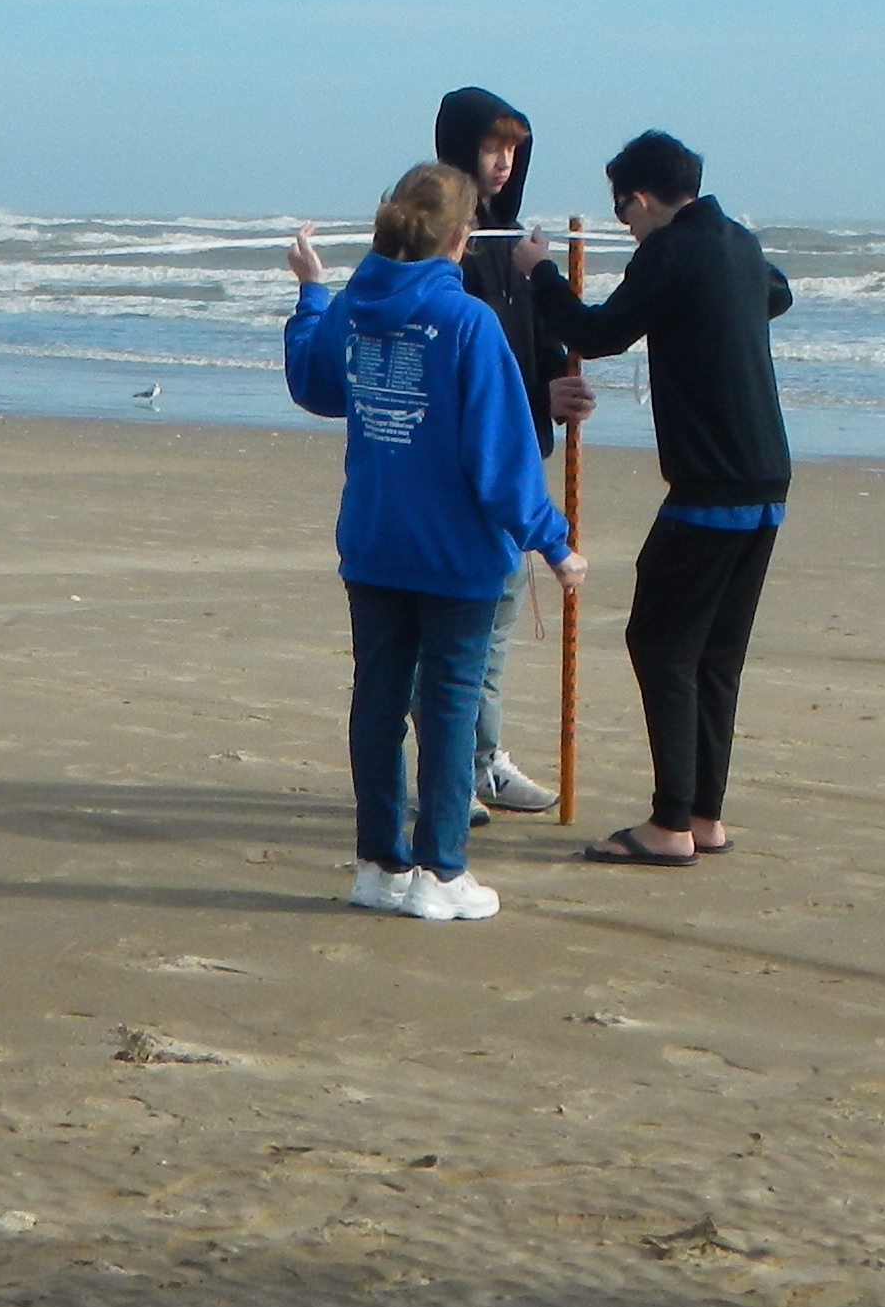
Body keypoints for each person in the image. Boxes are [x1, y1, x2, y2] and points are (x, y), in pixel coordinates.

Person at [284, 165, 585, 920]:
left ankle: (381, 863)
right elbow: (501, 453)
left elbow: (314, 382)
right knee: (445, 706)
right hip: (449, 553)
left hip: (379, 540)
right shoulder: (465, 322)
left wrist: (314, 292)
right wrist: (553, 541)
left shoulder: (359, 306)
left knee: (382, 701)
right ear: (459, 237)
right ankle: (438, 871)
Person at [524, 129, 795, 867]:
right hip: (766, 478)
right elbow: (778, 291)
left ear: (640, 200)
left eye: (625, 214)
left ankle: (672, 822)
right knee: (716, 653)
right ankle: (704, 815)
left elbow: (598, 333)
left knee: (663, 643)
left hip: (713, 481)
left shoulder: (672, 250)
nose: (627, 228)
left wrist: (540, 273)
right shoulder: (737, 243)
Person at [434, 88, 583, 818]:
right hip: (464, 468)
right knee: (461, 635)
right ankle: (453, 771)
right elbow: (465, 372)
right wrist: (532, 395)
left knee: (495, 629)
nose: (503, 162)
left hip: (518, 458)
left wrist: (556, 384)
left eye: (514, 150)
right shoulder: (448, 247)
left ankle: (481, 760)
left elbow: (533, 341)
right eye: (492, 147)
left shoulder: (513, 241)